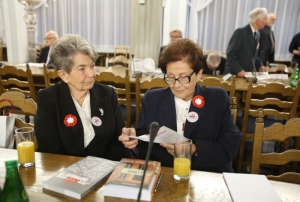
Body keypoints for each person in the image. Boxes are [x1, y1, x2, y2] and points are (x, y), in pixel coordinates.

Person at [119, 38, 241, 173]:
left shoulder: (217, 98)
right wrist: (133, 144)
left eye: (183, 77)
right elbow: (143, 145)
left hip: (208, 175)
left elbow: (230, 144)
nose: (176, 85)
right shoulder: (152, 99)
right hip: (165, 174)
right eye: (170, 77)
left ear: (199, 73)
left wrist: (193, 149)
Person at [35, 34, 126, 161]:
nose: (91, 74)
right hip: (64, 171)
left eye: (92, 66)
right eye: (82, 69)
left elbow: (119, 142)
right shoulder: (48, 98)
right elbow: (50, 150)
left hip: (105, 169)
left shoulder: (108, 94)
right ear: (64, 75)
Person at [224, 7, 268, 77]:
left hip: (246, 74)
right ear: (257, 20)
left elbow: (254, 55)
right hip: (233, 73)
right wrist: (238, 70)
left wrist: (260, 65)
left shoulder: (258, 34)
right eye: (265, 19)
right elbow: (230, 53)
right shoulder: (240, 32)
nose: (266, 22)